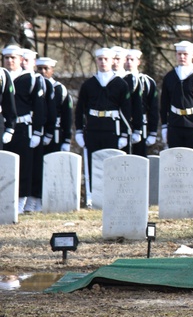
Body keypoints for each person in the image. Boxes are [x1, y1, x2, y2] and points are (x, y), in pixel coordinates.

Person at [75, 47, 133, 208]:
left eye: (106, 59)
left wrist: (123, 134)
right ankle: (92, 197)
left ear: (113, 60)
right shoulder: (88, 84)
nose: (103, 62)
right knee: (93, 164)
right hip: (93, 129)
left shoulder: (120, 84)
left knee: (113, 164)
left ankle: (114, 195)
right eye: (100, 59)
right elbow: (80, 109)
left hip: (112, 129)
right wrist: (79, 130)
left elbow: (126, 111)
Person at [3, 45, 46, 213]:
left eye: (13, 57)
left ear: (21, 59)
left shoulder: (31, 79)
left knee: (24, 166)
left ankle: (21, 202)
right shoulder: (2, 76)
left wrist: (37, 131)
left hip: (23, 127)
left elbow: (39, 107)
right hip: (4, 126)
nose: (10, 60)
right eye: (7, 57)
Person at [123, 49, 159, 156]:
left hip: (141, 125)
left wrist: (152, 132)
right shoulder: (118, 80)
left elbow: (153, 108)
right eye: (127, 59)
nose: (129, 62)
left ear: (138, 62)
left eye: (132, 60)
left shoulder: (147, 81)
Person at [36, 57, 74, 156]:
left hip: (55, 133)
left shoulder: (59, 89)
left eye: (46, 68)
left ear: (52, 70)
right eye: (39, 68)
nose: (42, 71)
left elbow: (67, 116)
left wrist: (67, 139)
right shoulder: (34, 87)